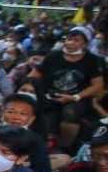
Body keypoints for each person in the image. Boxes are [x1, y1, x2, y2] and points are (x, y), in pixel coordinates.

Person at [31, 25, 104, 153]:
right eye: (68, 39)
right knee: (44, 114)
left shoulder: (92, 60)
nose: (70, 43)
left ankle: (67, 149)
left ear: (85, 44)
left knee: (70, 112)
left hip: (78, 98)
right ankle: (40, 149)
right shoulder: (53, 56)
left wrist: (75, 97)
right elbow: (35, 75)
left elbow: (97, 85)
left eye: (76, 40)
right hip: (52, 96)